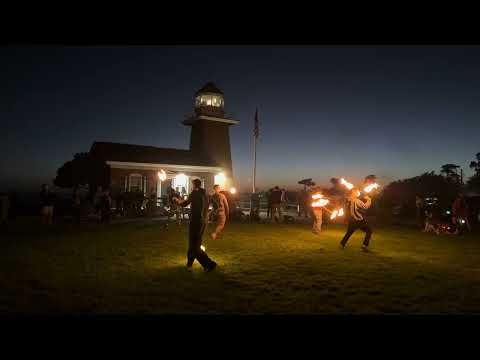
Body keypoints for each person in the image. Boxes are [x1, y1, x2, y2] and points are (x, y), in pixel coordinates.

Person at [175, 178, 217, 272]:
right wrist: (209, 214)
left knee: (195, 245)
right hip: (203, 222)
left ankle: (209, 264)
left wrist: (177, 200)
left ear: (194, 185)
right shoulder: (206, 194)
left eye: (192, 184)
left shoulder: (194, 193)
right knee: (193, 243)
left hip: (195, 221)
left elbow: (185, 203)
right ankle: (189, 264)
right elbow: (216, 205)